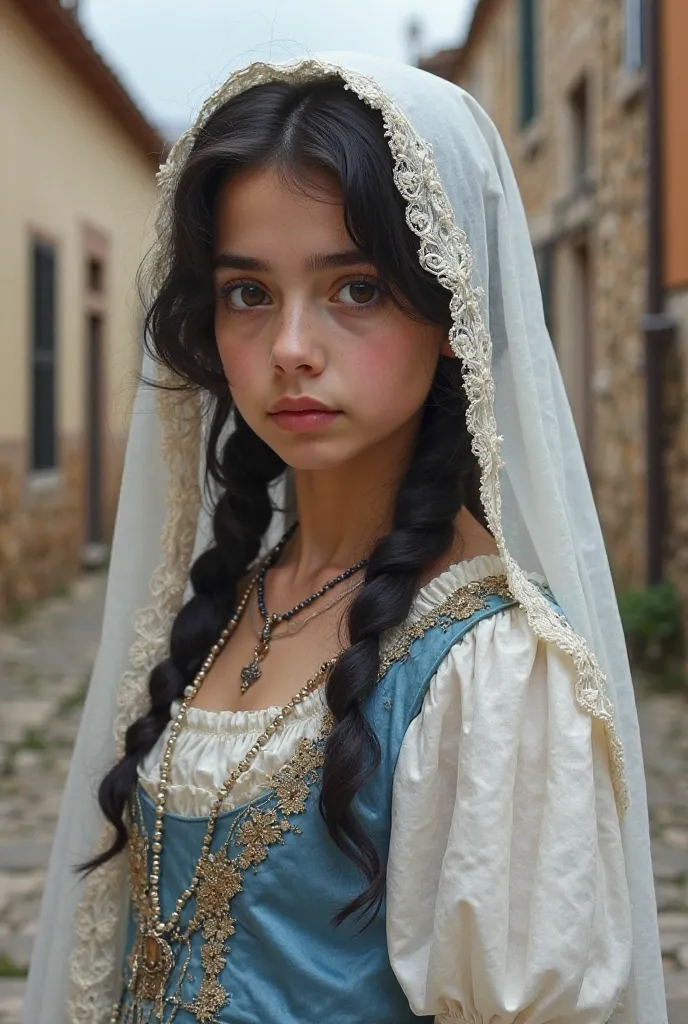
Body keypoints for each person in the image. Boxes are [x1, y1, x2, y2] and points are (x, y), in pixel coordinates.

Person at [23, 53, 666, 1024]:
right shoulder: (221, 601)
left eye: (354, 287)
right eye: (248, 292)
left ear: (448, 310)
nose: (290, 347)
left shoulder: (490, 672)